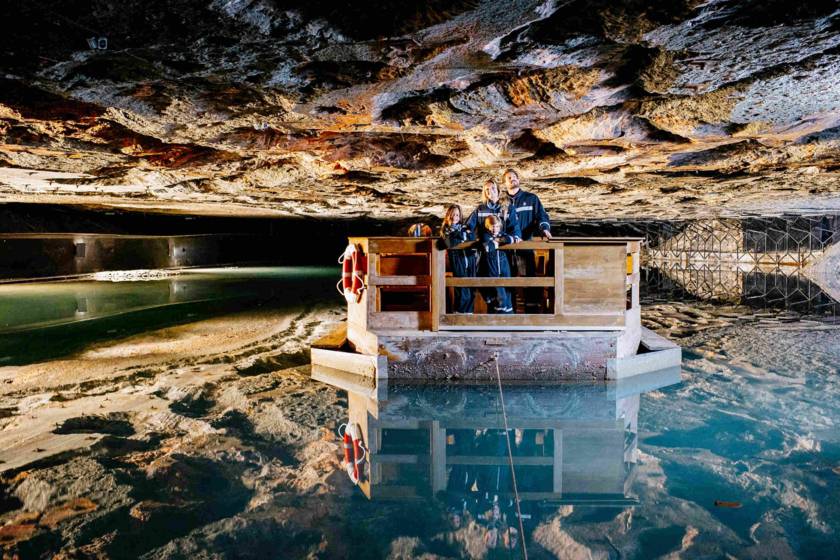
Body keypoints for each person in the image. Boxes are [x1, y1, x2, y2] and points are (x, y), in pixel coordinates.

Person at [502, 169, 551, 313]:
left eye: (514, 177)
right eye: (509, 178)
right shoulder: (501, 201)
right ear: (505, 183)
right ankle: (509, 312)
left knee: (529, 280)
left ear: (519, 179)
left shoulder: (531, 199)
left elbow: (541, 216)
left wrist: (544, 229)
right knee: (507, 280)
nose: (512, 179)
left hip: (525, 247)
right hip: (507, 248)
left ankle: (532, 313)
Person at [440, 205, 476, 313]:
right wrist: (462, 237)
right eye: (452, 214)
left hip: (470, 259)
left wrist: (458, 236)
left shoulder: (465, 227)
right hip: (458, 260)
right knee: (461, 288)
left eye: (457, 215)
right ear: (448, 216)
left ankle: (469, 314)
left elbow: (472, 237)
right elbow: (449, 243)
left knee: (471, 287)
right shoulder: (445, 230)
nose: (455, 217)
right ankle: (459, 314)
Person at [480, 215, 513, 313]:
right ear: (488, 226)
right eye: (493, 226)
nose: (495, 229)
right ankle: (498, 319)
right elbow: (487, 247)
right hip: (491, 267)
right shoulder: (485, 235)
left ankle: (509, 318)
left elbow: (510, 239)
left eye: (497, 226)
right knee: (498, 295)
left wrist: (496, 241)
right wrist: (500, 242)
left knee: (507, 292)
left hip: (504, 267)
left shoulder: (502, 234)